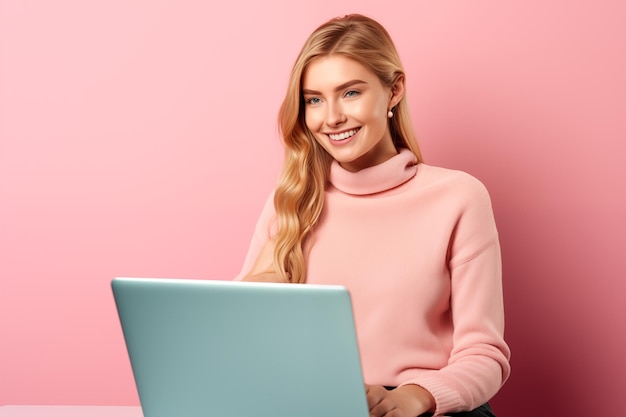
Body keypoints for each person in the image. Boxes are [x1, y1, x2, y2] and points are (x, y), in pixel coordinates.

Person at [235, 14, 511, 417]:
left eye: (350, 93)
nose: (331, 117)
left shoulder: (457, 197)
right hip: (317, 404)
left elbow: (484, 355)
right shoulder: (293, 201)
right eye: (314, 99)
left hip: (425, 407)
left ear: (394, 90)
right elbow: (238, 339)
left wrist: (409, 399)